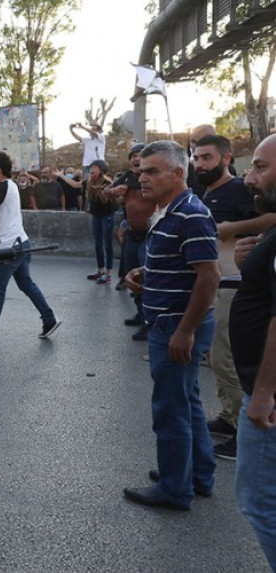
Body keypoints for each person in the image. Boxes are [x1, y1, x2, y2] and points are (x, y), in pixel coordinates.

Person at [123, 140, 219, 511]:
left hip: (175, 326)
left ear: (178, 174)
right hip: (170, 322)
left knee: (170, 410)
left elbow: (208, 277)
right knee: (188, 402)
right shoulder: (170, 210)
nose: (141, 177)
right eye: (141, 170)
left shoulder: (190, 213)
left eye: (152, 171)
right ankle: (197, 474)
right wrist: (145, 273)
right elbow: (182, 262)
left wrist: (185, 331)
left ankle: (174, 488)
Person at [195, 135, 276, 460]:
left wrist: (233, 228)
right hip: (224, 280)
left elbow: (271, 219)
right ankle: (230, 417)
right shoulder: (208, 191)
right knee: (218, 357)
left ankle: (241, 426)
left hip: (236, 284)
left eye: (206, 157)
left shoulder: (243, 191)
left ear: (226, 158)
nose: (199, 164)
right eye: (196, 158)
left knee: (224, 356)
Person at [230, 133, 276, 569]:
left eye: (260, 167)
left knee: (260, 502)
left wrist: (263, 394)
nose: (249, 178)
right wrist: (252, 263)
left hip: (268, 399)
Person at [0, 151, 61, 339]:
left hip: (9, 248)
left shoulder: (2, 186)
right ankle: (49, 319)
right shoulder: (10, 185)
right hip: (22, 243)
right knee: (26, 284)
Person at [111, 143, 154, 339]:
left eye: (140, 155)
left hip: (148, 236)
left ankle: (149, 322)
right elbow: (107, 192)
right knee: (132, 278)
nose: (136, 159)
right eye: (133, 156)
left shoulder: (153, 179)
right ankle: (141, 314)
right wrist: (115, 192)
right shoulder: (126, 178)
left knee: (146, 280)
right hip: (132, 236)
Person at [85, 160, 116, 284]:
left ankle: (108, 273)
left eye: (95, 168)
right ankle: (100, 270)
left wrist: (99, 191)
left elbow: (104, 201)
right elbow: (91, 199)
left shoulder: (107, 182)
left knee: (107, 244)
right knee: (98, 244)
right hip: (96, 214)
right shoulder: (90, 181)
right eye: (92, 167)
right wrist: (91, 189)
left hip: (107, 214)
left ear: (102, 170)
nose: (93, 170)